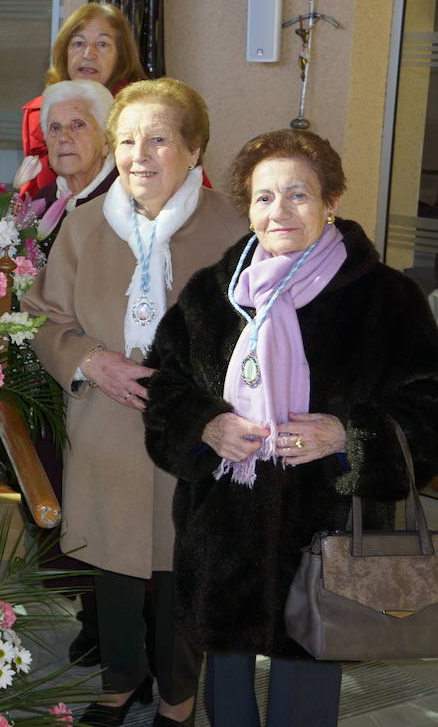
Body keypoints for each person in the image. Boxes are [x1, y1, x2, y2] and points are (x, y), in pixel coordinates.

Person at [143, 129, 438, 726]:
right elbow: (165, 389)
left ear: (331, 202)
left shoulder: (387, 299)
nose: (278, 210)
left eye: (298, 194)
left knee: (306, 688)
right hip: (223, 532)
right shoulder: (213, 296)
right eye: (264, 197)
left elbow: (429, 406)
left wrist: (348, 436)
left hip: (327, 533)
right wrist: (207, 427)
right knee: (227, 692)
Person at [22, 78, 242, 726]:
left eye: (159, 140)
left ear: (195, 149)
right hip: (105, 427)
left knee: (182, 575)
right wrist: (91, 361)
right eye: (126, 140)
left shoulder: (233, 229)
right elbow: (43, 319)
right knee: (112, 573)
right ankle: (119, 685)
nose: (138, 155)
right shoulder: (85, 225)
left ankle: (177, 700)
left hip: (194, 435)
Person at [19, 2, 147, 197]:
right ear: (64, 52)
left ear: (121, 57)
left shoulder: (142, 113)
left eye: (102, 44)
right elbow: (31, 196)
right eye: (78, 43)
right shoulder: (41, 111)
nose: (88, 54)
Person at [28, 79, 117, 237]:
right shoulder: (42, 201)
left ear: (106, 140)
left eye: (78, 125)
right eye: (55, 127)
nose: (63, 137)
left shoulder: (126, 200)